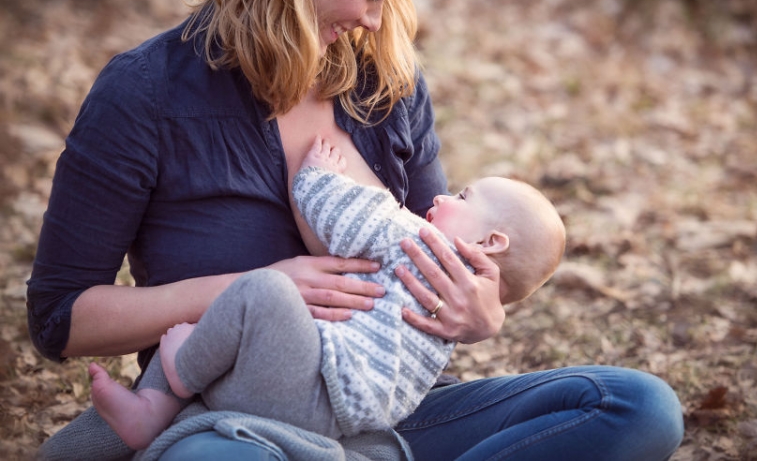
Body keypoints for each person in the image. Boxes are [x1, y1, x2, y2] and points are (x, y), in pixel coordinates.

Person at [28, 0, 684, 459]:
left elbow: (437, 245)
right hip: (235, 420)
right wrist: (252, 289)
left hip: (386, 415)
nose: (374, 19)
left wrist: (482, 314)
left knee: (637, 407)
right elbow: (60, 318)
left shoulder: (387, 88)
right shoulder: (146, 94)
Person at [87, 135, 567, 452]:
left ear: (491, 242)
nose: (441, 197)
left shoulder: (423, 245)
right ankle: (150, 413)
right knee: (211, 324)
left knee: (261, 289)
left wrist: (319, 175)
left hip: (310, 389)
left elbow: (353, 216)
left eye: (463, 198)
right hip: (339, 419)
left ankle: (178, 377)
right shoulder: (450, 306)